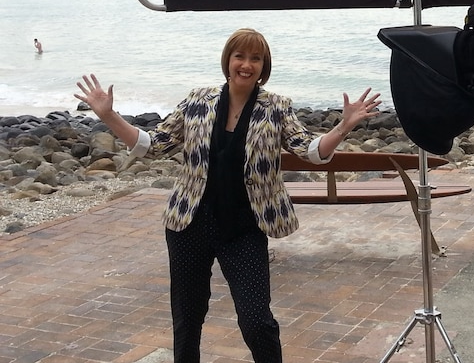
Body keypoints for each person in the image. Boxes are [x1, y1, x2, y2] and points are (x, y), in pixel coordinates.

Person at [74, 27, 381, 363]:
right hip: (189, 224)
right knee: (187, 318)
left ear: (264, 66)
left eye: (255, 58)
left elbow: (310, 151)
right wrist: (108, 116)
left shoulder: (277, 107)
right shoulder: (197, 102)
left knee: (256, 321)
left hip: (244, 228)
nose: (246, 64)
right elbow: (154, 146)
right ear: (228, 60)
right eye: (240, 56)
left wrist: (343, 126)